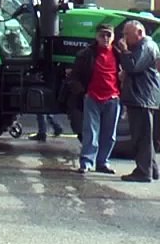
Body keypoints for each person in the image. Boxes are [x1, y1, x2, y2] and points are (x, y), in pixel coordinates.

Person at [66, 22, 121, 174]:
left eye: (108, 35)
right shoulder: (85, 54)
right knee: (90, 133)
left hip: (113, 98)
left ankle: (103, 162)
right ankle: (86, 162)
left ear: (113, 37)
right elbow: (74, 76)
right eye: (102, 35)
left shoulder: (118, 54)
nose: (105, 38)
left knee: (109, 135)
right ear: (96, 36)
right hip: (92, 98)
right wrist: (83, 92)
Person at [115, 20, 160, 183]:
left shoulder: (145, 46)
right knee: (146, 137)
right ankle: (151, 169)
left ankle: (143, 171)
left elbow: (133, 66)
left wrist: (125, 51)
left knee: (142, 137)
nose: (124, 38)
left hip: (143, 98)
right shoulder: (146, 46)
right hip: (144, 97)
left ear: (139, 33)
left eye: (127, 34)